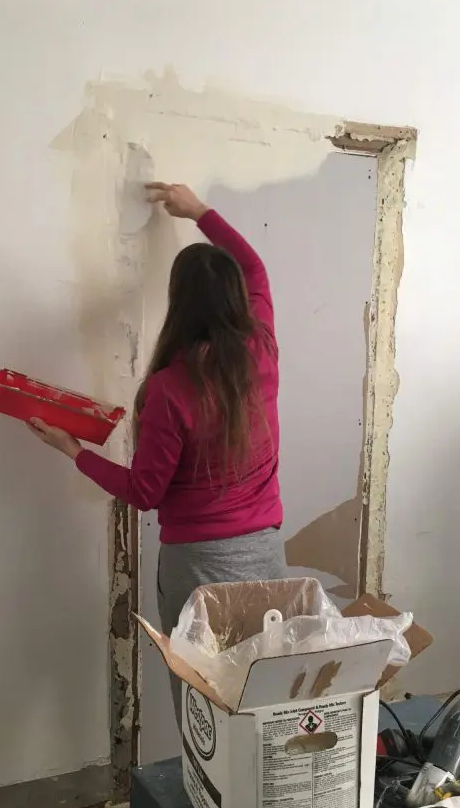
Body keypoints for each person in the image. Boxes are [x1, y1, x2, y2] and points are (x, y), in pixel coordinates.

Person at [27, 182, 286, 728]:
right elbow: (255, 267)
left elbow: (145, 493)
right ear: (237, 299)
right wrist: (200, 212)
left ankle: (210, 806)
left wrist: (73, 450)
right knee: (261, 696)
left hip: (199, 567)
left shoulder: (173, 388)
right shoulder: (261, 347)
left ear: (179, 307)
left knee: (204, 701)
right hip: (265, 558)